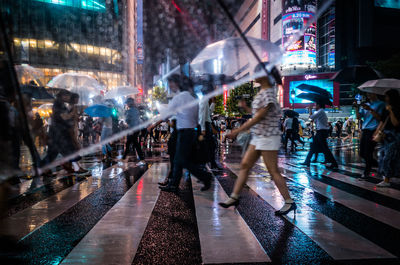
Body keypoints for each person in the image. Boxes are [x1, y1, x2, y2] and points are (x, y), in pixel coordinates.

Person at [219, 63, 296, 216]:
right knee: (245, 165)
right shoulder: (263, 91)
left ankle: (289, 202)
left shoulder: (268, 93)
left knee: (273, 171)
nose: (254, 75)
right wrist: (246, 107)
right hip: (259, 136)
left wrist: (237, 131)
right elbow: (257, 114)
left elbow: (259, 117)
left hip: (268, 137)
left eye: (256, 72)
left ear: (264, 74)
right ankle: (234, 197)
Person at [148, 74, 212, 192]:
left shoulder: (178, 98)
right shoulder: (193, 99)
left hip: (184, 133)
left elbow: (166, 114)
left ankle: (205, 176)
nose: (170, 85)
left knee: (182, 160)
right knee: (179, 159)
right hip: (191, 132)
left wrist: (153, 125)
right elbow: (195, 117)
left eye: (171, 83)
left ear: (177, 83)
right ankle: (173, 185)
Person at [355, 93, 385, 179]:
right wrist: (357, 107)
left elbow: (380, 118)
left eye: (370, 92)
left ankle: (366, 172)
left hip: (373, 130)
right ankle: (377, 164)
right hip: (365, 130)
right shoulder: (366, 105)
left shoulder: (381, 104)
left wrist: (370, 109)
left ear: (375, 93)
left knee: (368, 152)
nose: (368, 94)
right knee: (362, 153)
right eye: (367, 93)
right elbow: (358, 117)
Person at [301, 101, 339, 169]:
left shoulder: (321, 111)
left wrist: (310, 109)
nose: (314, 106)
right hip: (319, 132)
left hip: (321, 132)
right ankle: (307, 161)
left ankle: (334, 163)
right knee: (313, 147)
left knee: (325, 148)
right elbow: (314, 120)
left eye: (315, 105)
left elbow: (311, 117)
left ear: (319, 105)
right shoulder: (320, 112)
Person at [375, 89, 400, 187]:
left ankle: (386, 179)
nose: (385, 98)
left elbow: (396, 123)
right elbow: (382, 122)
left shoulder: (397, 108)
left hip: (395, 136)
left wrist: (391, 111)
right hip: (385, 136)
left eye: (387, 96)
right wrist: (376, 132)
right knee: (382, 156)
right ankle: (387, 177)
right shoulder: (385, 108)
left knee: (388, 157)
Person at [123, 98, 145, 165]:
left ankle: (142, 158)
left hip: (131, 129)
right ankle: (124, 157)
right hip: (136, 129)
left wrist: (124, 117)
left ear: (129, 103)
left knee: (134, 144)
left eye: (127, 103)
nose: (126, 104)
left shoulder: (129, 111)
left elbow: (127, 121)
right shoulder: (136, 110)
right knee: (129, 143)